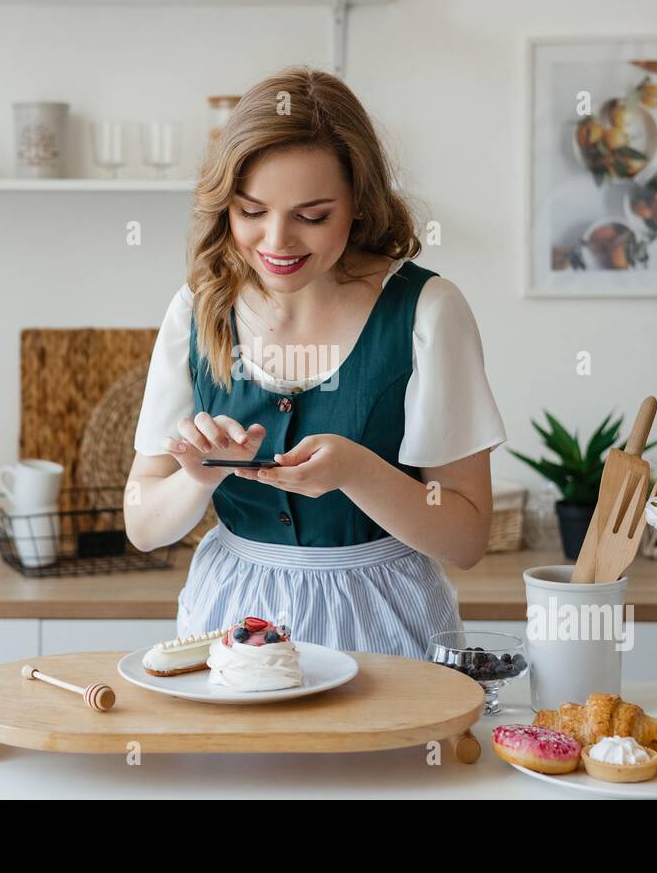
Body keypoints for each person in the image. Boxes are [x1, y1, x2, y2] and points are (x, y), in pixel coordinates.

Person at [124, 65, 506, 657]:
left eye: (312, 215)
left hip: (385, 619)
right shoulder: (199, 309)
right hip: (231, 619)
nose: (277, 241)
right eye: (251, 212)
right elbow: (143, 526)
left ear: (359, 204)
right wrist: (199, 478)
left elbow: (466, 540)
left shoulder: (428, 311)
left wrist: (358, 472)